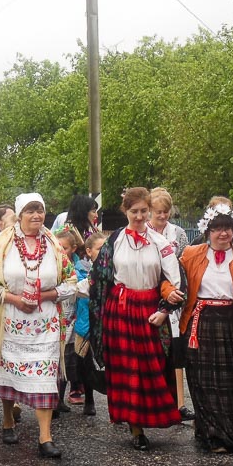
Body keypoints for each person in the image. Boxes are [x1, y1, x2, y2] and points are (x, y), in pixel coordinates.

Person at [0, 193, 77, 458]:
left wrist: (45, 296)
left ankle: (45, 437)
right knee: (9, 372)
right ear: (19, 215)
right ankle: (8, 418)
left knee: (45, 377)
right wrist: (14, 299)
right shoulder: (3, 243)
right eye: (30, 211)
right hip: (9, 318)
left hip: (45, 321)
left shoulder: (53, 245)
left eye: (40, 211)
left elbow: (72, 281)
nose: (36, 216)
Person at [87, 187, 184, 450]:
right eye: (134, 212)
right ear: (125, 212)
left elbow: (175, 282)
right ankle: (135, 428)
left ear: (150, 210)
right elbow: (99, 279)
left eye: (144, 211)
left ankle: (149, 418)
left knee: (150, 368)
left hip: (149, 311)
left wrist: (164, 310)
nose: (139, 216)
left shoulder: (161, 243)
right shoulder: (115, 240)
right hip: (120, 311)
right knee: (127, 370)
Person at [179, 202, 233, 454]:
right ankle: (208, 433)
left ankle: (227, 433)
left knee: (230, 382)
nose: (223, 233)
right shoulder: (191, 254)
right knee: (202, 380)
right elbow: (174, 282)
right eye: (217, 229)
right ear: (207, 230)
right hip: (200, 322)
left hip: (229, 323)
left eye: (228, 228)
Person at [148, 187, 193, 421]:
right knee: (155, 350)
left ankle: (180, 402)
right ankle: (157, 400)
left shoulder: (178, 233)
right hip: (150, 291)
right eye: (158, 212)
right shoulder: (144, 232)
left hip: (174, 291)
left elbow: (183, 262)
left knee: (176, 350)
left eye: (166, 212)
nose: (163, 216)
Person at [74, 231, 106, 416]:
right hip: (85, 324)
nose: (103, 253)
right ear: (88, 251)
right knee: (84, 363)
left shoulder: (113, 269)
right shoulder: (80, 270)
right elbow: (80, 288)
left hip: (105, 325)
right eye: (99, 249)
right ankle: (89, 399)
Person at [54, 226, 85, 410]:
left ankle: (61, 398)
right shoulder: (51, 265)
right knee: (55, 359)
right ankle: (54, 399)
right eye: (58, 248)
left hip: (72, 319)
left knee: (68, 359)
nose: (61, 252)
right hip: (56, 319)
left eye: (64, 248)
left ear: (73, 248)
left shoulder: (78, 266)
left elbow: (81, 284)